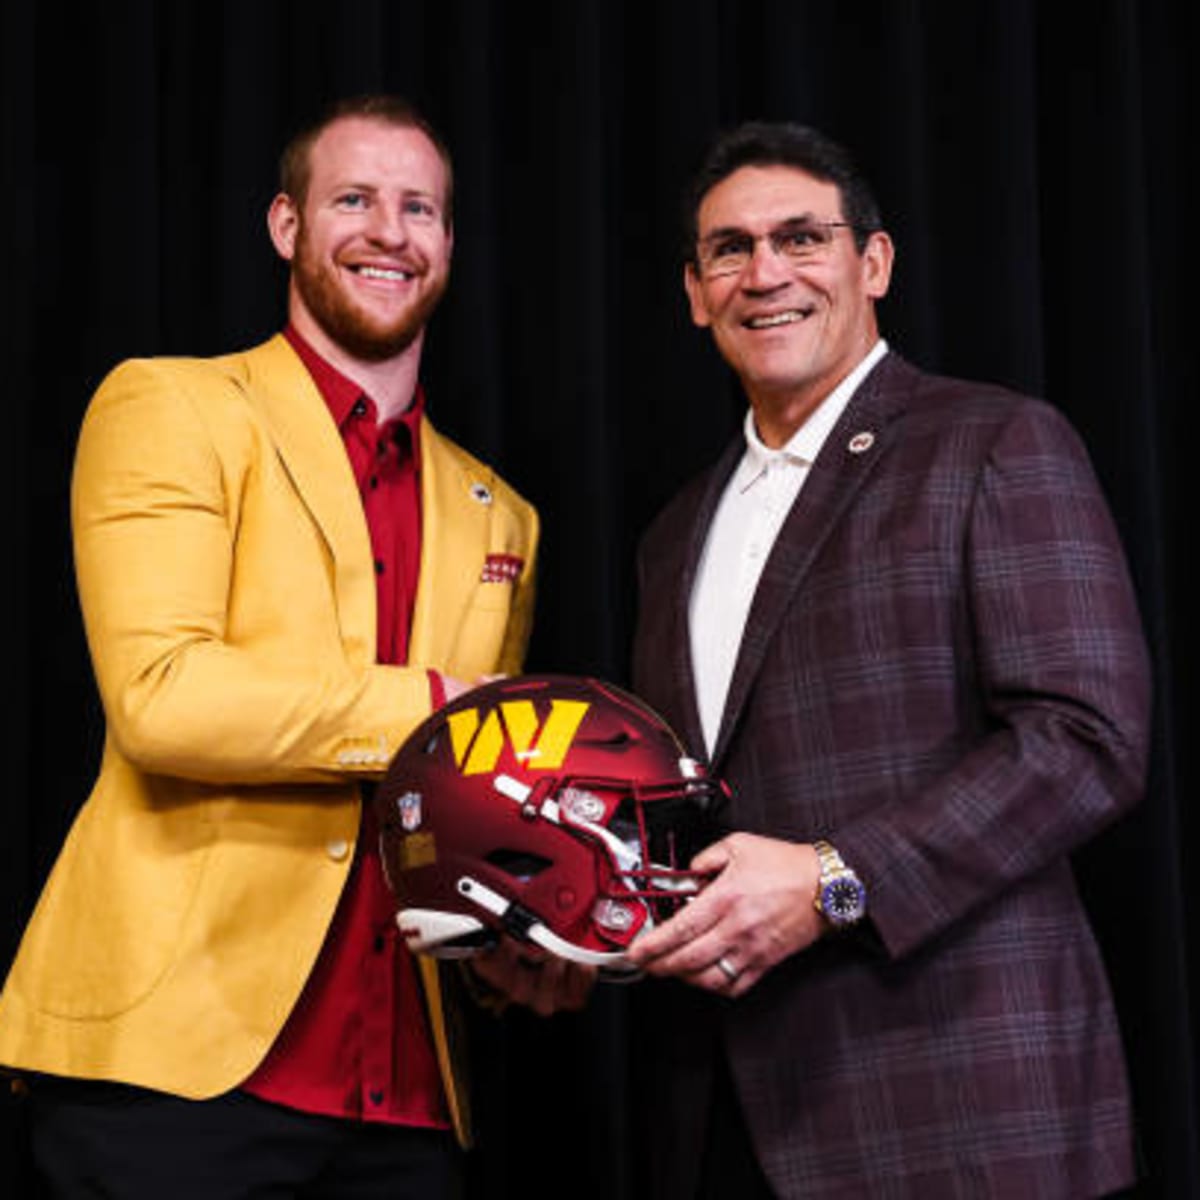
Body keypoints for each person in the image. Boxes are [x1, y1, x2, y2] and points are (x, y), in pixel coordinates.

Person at [0, 94, 541, 1198]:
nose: (390, 232)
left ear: (447, 242)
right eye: (354, 199)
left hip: (411, 1096)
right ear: (286, 226)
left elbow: (462, 801)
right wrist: (446, 703)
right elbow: (164, 700)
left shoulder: (505, 517)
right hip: (174, 1083)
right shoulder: (173, 407)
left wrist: (528, 937)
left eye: (419, 208)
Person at [625, 120, 1152, 1199]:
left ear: (873, 263)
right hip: (724, 1115)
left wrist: (834, 880)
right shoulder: (674, 531)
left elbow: (1087, 741)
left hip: (959, 1105)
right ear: (694, 290)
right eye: (730, 249)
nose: (764, 272)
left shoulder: (995, 442)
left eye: (800, 238)